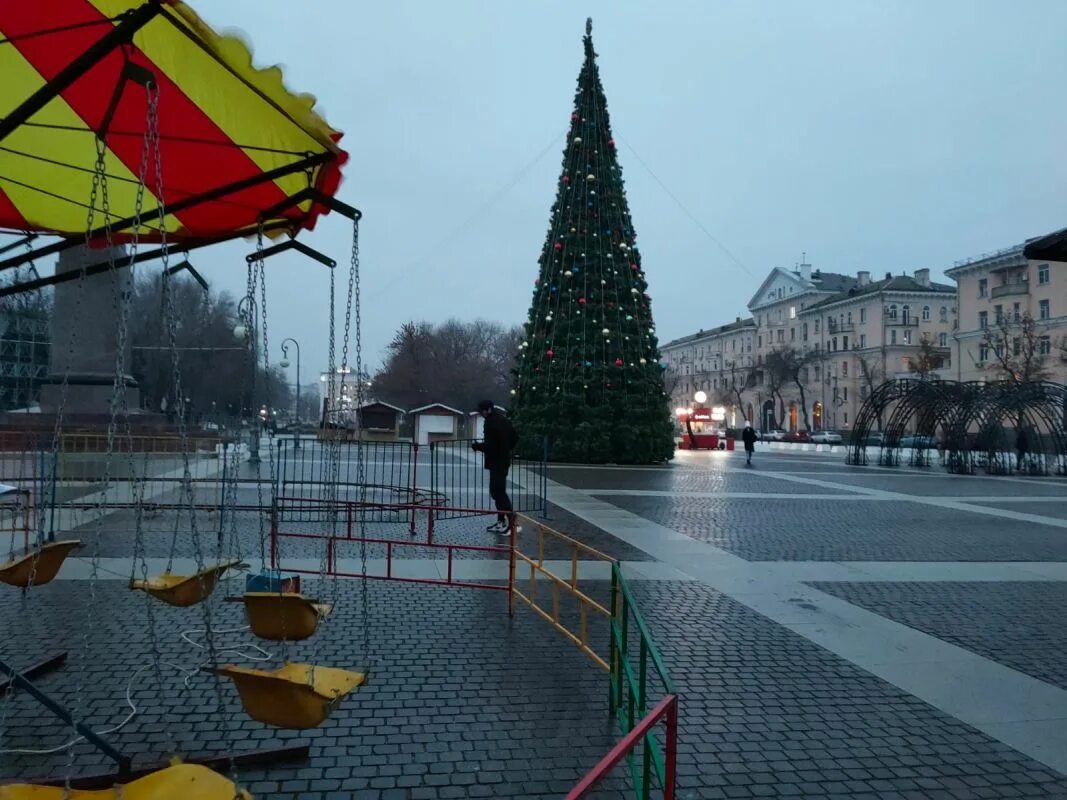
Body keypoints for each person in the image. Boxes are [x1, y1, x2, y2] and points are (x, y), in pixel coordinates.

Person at [471, 401, 520, 534]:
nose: (481, 413)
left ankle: (511, 522)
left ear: (488, 410)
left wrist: (477, 446)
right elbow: (515, 437)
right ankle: (502, 521)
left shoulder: (490, 423)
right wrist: (506, 450)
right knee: (498, 491)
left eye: (482, 411)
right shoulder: (503, 420)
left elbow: (490, 445)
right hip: (503, 460)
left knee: (497, 492)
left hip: (496, 461)